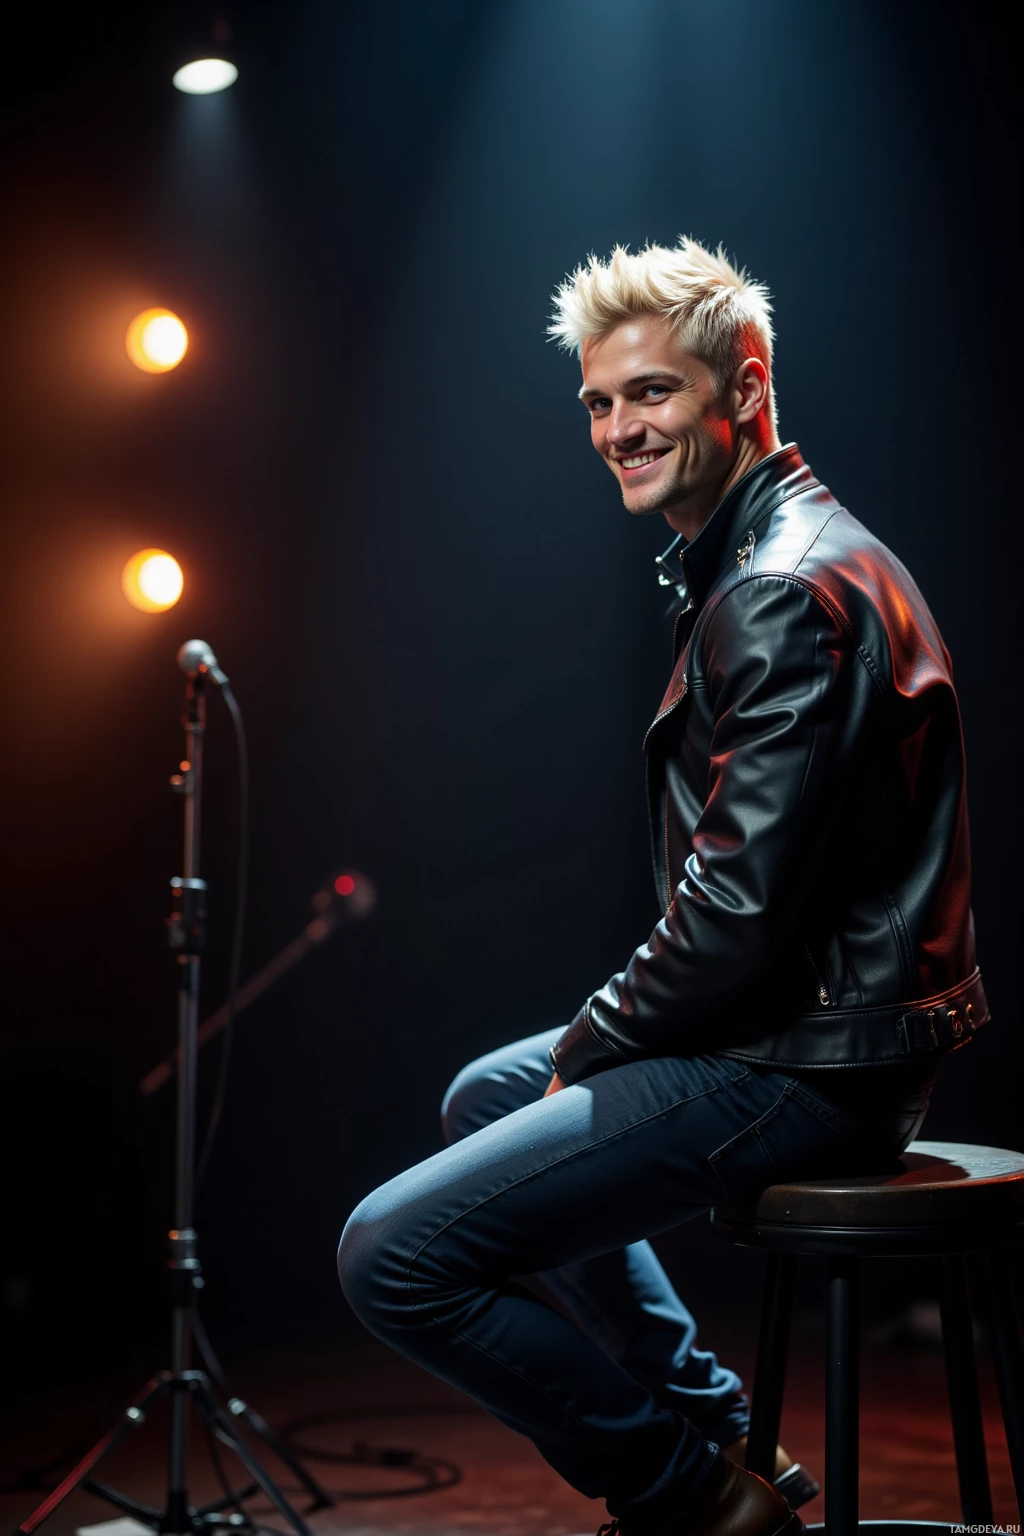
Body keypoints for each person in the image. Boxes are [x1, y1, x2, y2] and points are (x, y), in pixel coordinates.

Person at [337, 237, 987, 1536]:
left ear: (742, 388)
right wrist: (596, 1048)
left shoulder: (778, 590)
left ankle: (686, 1493)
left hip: (809, 1069)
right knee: (485, 1092)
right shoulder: (798, 551)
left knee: (389, 1258)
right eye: (597, 401)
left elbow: (734, 925)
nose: (617, 428)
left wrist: (598, 1042)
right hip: (817, 1034)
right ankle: (718, 1428)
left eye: (651, 395)